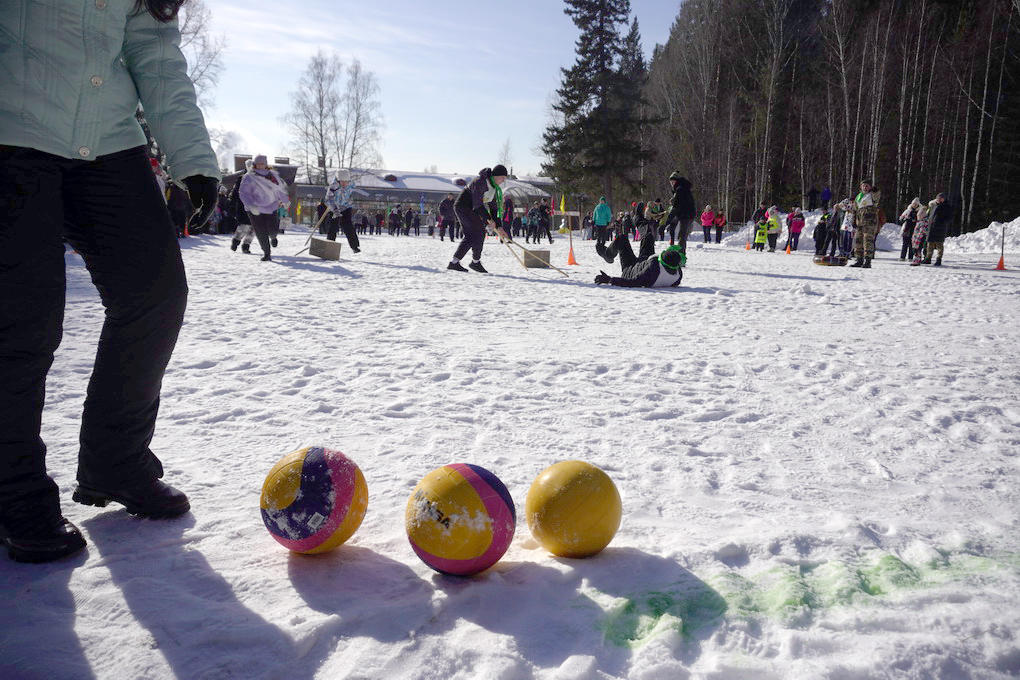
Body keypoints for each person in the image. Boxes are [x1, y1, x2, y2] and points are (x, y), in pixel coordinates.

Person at [0, 0, 220, 563]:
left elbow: (156, 54)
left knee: (155, 294)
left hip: (108, 142)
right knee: (23, 319)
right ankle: (11, 488)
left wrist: (193, 159)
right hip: (13, 130)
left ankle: (116, 461)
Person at [447, 165, 510, 273]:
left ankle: (459, 262)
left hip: (473, 209)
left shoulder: (494, 187)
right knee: (477, 233)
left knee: (475, 234)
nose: (503, 181)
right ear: (496, 176)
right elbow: (478, 204)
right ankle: (472, 262)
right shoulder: (480, 181)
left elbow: (494, 208)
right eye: (502, 178)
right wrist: (489, 220)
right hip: (463, 206)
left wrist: (499, 227)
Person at [238, 154, 288, 261]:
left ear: (266, 164)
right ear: (254, 164)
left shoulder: (272, 176)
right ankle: (267, 253)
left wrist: (285, 200)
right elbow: (244, 193)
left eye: (262, 164)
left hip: (271, 207)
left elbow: (279, 190)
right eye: (258, 164)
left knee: (272, 230)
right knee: (260, 232)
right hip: (255, 209)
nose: (260, 165)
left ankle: (273, 236)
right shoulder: (249, 177)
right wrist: (250, 205)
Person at [594, 234, 685, 288]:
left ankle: (608, 255)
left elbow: (632, 282)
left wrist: (609, 279)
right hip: (644, 262)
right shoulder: (678, 275)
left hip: (630, 268)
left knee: (622, 238)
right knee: (648, 237)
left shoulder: (653, 269)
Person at [323, 169, 361, 253]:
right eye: (342, 181)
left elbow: (349, 194)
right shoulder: (333, 186)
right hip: (334, 208)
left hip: (346, 207)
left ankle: (354, 246)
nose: (344, 183)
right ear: (338, 180)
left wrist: (350, 200)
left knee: (348, 226)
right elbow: (328, 199)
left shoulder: (351, 185)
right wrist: (335, 210)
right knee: (333, 227)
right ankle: (329, 247)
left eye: (346, 181)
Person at [850, 179, 882, 268]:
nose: (865, 187)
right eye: (863, 186)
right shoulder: (858, 197)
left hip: (869, 222)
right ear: (861, 187)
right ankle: (859, 259)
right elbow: (855, 209)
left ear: (870, 187)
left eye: (867, 186)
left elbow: (876, 196)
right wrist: (853, 219)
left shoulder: (871, 195)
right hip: (859, 222)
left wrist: (875, 191)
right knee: (858, 241)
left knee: (868, 241)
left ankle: (868, 260)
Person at [665, 171, 697, 251]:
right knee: (682, 235)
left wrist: (668, 220)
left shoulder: (680, 189)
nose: (672, 183)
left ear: (677, 181)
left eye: (673, 181)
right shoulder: (682, 188)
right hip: (686, 214)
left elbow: (677, 206)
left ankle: (681, 253)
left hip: (686, 215)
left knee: (682, 235)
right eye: (671, 181)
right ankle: (680, 250)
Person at [922, 192, 953, 266]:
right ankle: (928, 258)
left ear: (944, 199)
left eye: (941, 198)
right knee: (930, 244)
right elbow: (929, 215)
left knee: (939, 244)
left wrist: (943, 222)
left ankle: (939, 259)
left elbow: (949, 218)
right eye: (938, 198)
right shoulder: (933, 206)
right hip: (931, 227)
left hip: (940, 228)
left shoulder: (947, 207)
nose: (939, 199)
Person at [909, 199, 932, 266]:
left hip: (919, 239)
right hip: (916, 238)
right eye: (918, 216)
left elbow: (922, 231)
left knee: (917, 250)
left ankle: (917, 260)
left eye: (919, 216)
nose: (918, 217)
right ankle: (916, 259)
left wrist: (918, 238)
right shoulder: (919, 222)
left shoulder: (924, 222)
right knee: (915, 250)